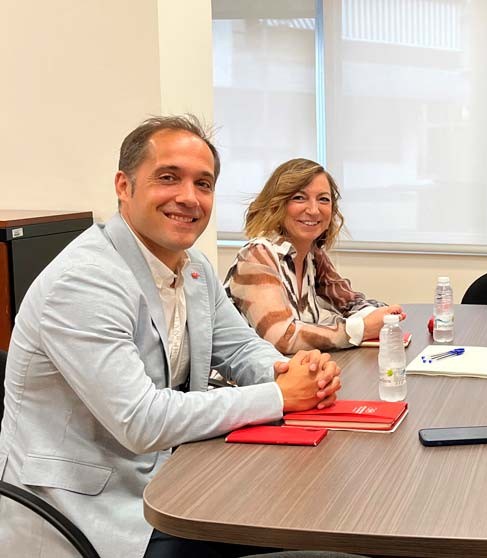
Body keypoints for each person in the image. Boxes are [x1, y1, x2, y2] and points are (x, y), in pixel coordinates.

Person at [0, 115, 343, 558]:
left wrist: (290, 369)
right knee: (307, 540)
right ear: (124, 186)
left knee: (305, 507)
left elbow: (240, 347)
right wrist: (280, 396)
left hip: (169, 481)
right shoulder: (84, 282)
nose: (189, 197)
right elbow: (141, 421)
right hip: (90, 513)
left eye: (203, 184)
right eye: (168, 178)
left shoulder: (192, 267)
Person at [224, 158, 405, 354]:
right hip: (245, 382)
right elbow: (282, 337)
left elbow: (349, 301)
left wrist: (380, 316)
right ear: (276, 204)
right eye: (299, 198)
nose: (313, 210)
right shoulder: (257, 256)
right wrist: (359, 329)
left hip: (293, 372)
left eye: (323, 199)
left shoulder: (312, 255)